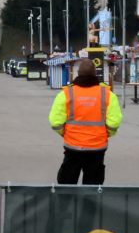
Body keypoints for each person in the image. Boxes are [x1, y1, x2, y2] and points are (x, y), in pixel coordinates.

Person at [47, 57, 122, 185]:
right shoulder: (108, 94)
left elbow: (55, 121)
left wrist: (65, 133)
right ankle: (89, 205)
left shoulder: (66, 94)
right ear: (95, 74)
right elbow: (114, 122)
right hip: (97, 148)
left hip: (73, 147)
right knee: (93, 188)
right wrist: (105, 134)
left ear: (78, 74)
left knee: (66, 186)